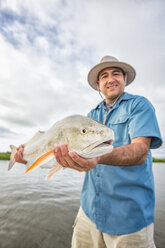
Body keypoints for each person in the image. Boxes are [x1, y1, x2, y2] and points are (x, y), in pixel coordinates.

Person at [16, 55, 162, 248]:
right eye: (104, 76)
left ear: (124, 79)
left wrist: (99, 156)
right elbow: (64, 157)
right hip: (89, 212)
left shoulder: (139, 105)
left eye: (116, 73)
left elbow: (140, 150)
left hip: (129, 218)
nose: (110, 79)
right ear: (98, 85)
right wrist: (25, 159)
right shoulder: (91, 115)